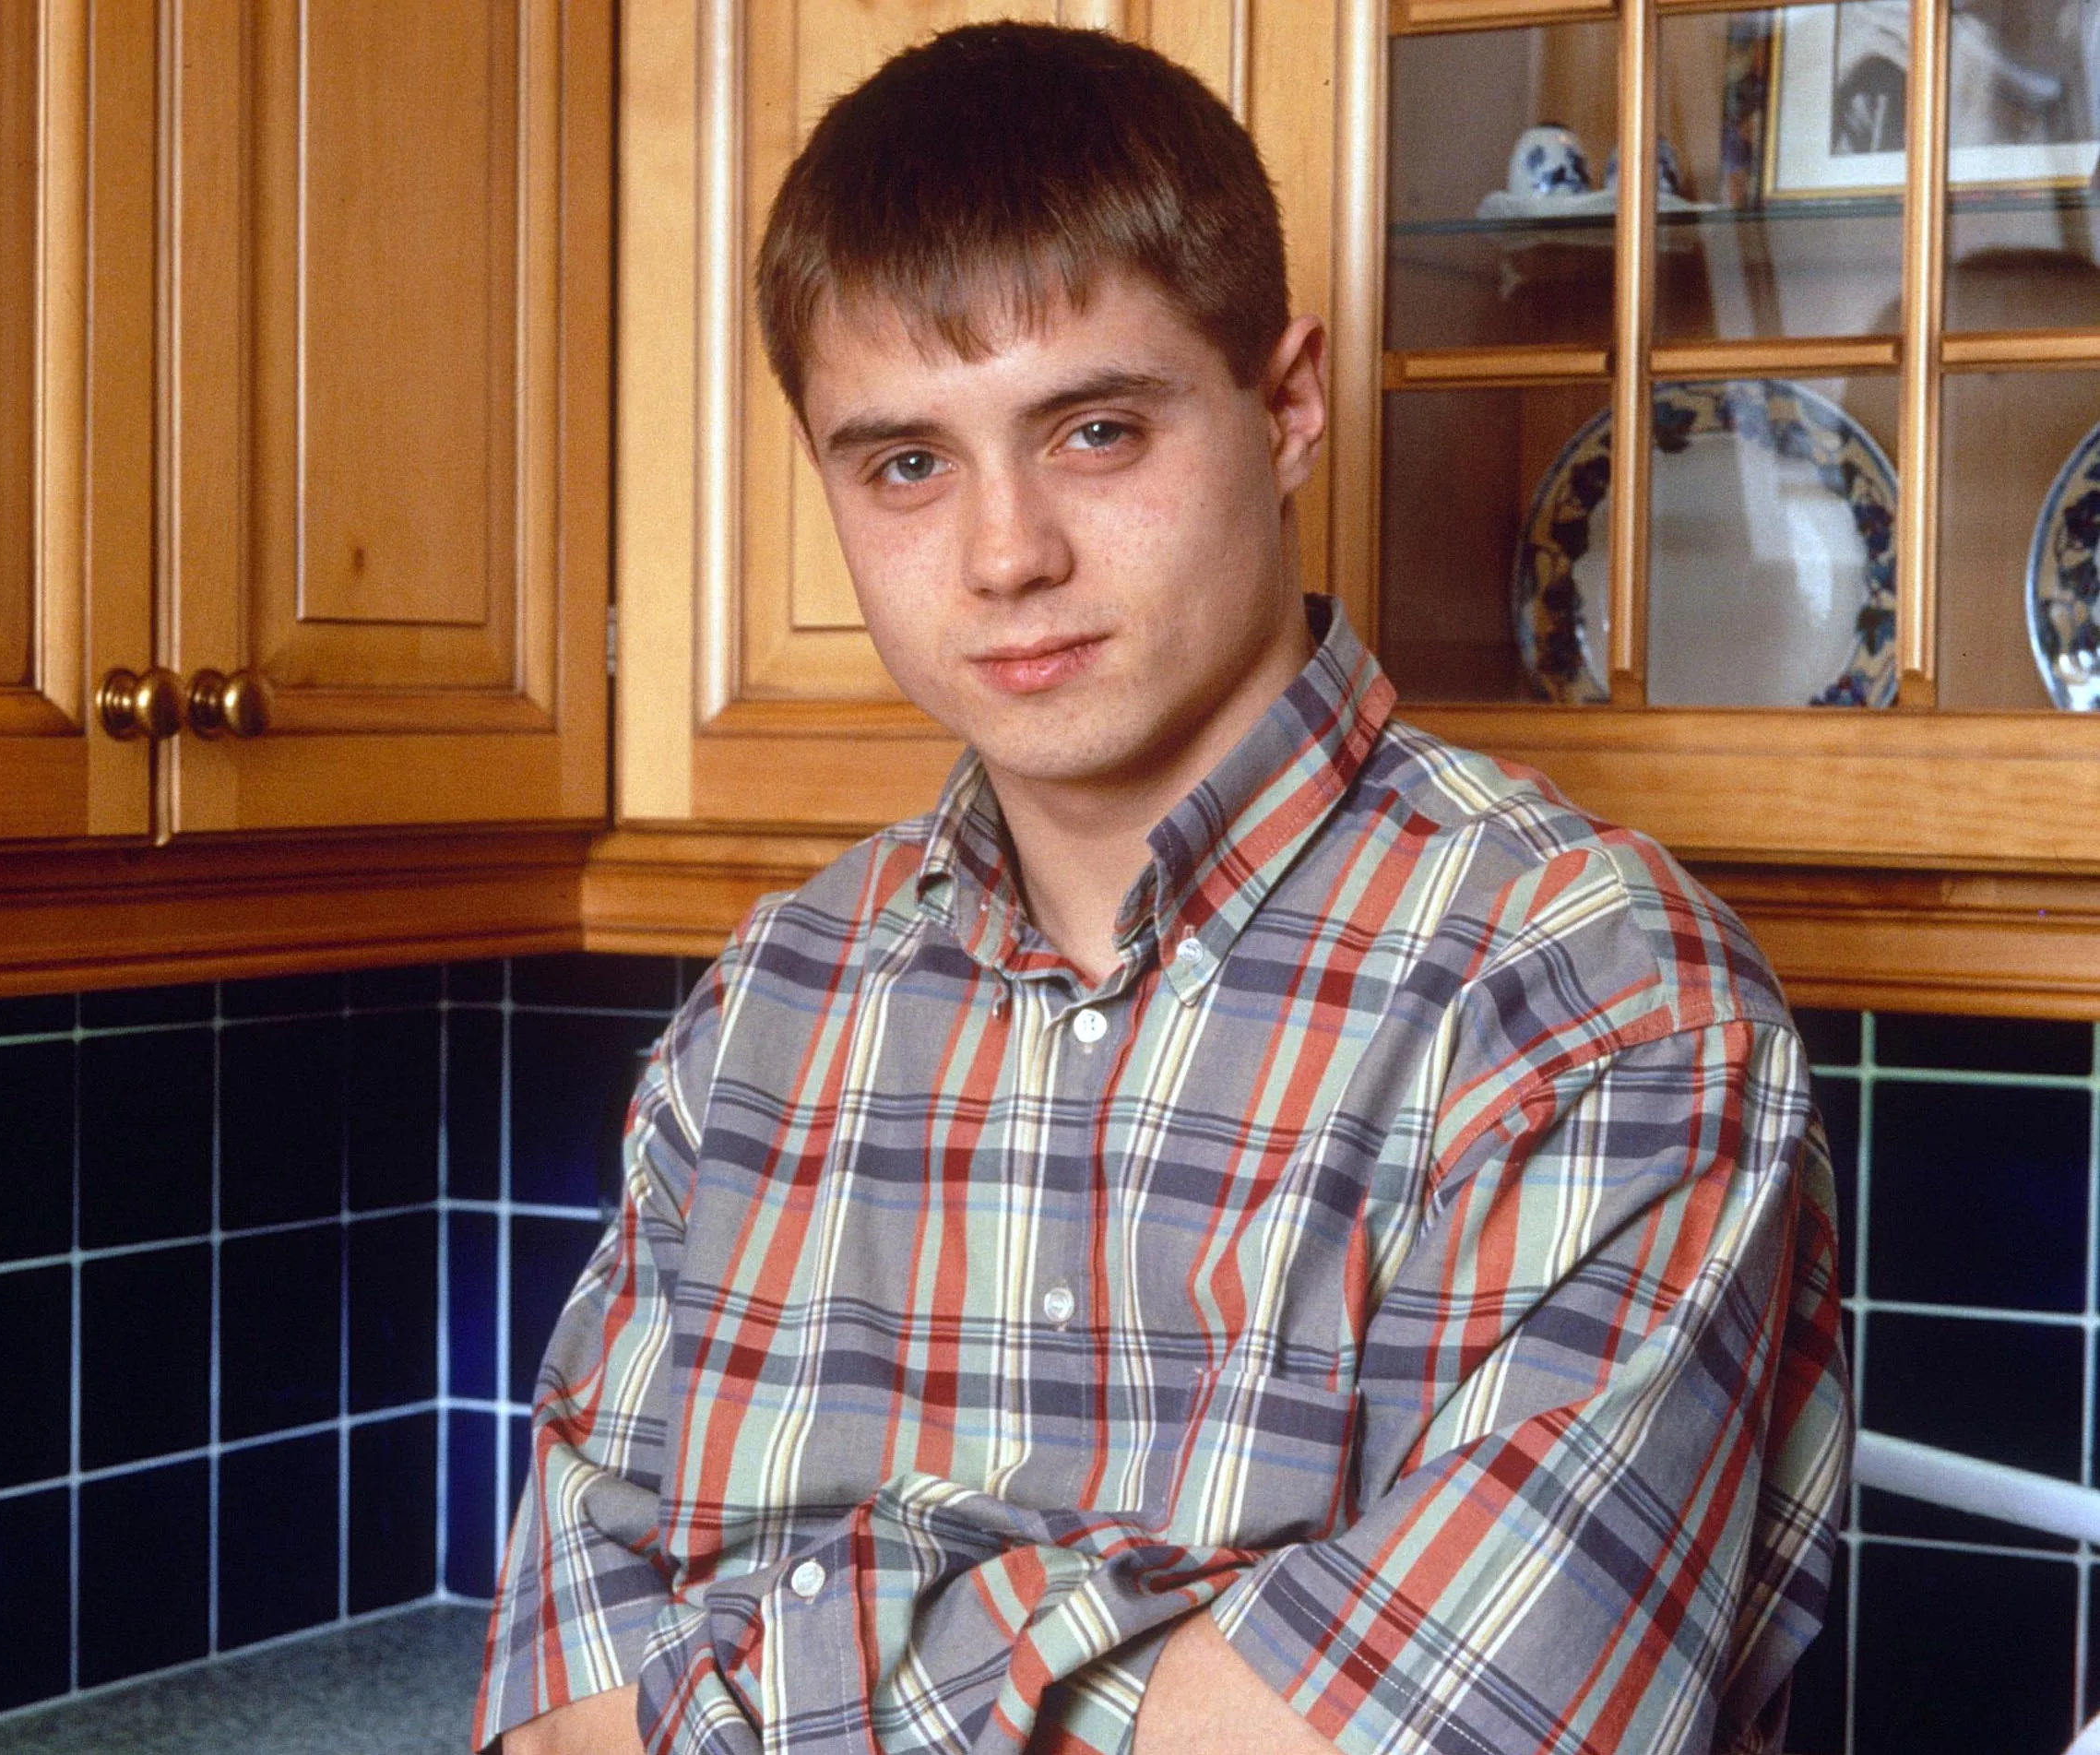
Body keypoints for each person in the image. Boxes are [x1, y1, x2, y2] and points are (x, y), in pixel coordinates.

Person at [477, 23, 1850, 1755]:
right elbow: (555, 1727)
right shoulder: (765, 1007)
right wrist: (1133, 1676)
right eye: (905, 462)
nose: (1003, 554)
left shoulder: (1596, 1001)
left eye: (1096, 430)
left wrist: (759, 1678)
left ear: (1284, 407)